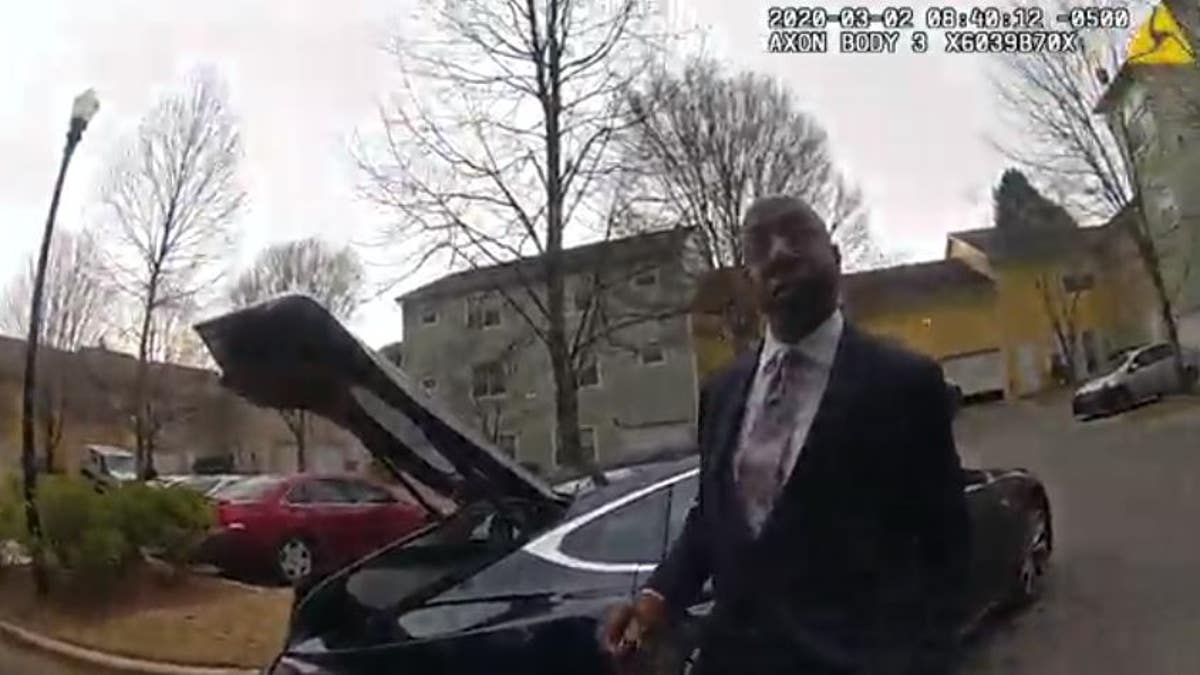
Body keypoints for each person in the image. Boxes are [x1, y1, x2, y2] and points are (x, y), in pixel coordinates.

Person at [603, 195, 971, 675]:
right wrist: (659, 598)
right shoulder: (722, 391)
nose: (778, 252)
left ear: (836, 258)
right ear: (747, 279)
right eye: (759, 245)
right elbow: (713, 516)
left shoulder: (905, 384)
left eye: (797, 234)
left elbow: (946, 550)